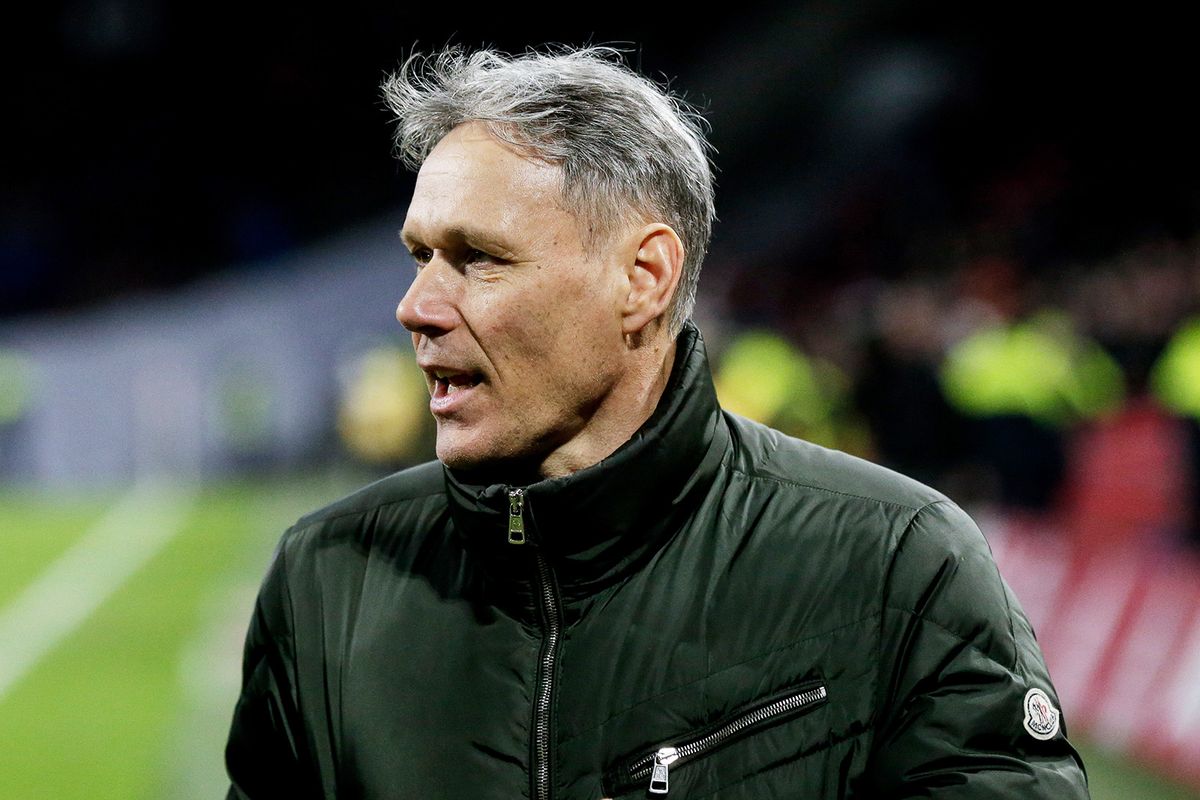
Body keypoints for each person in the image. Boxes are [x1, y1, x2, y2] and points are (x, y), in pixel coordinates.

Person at [224, 46, 1090, 799]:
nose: (416, 307)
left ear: (643, 278)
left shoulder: (899, 563)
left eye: (477, 258)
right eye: (420, 257)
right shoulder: (327, 579)